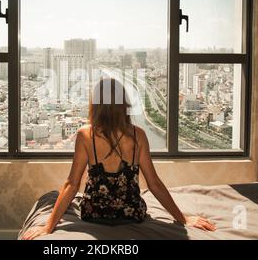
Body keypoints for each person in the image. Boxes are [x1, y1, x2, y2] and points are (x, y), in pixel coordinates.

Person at [22, 78, 216, 240]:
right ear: (123, 104)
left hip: (94, 214)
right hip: (132, 214)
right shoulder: (137, 135)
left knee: (56, 196)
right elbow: (154, 183)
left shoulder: (85, 135)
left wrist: (48, 227)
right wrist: (183, 219)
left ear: (96, 105)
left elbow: (72, 184)